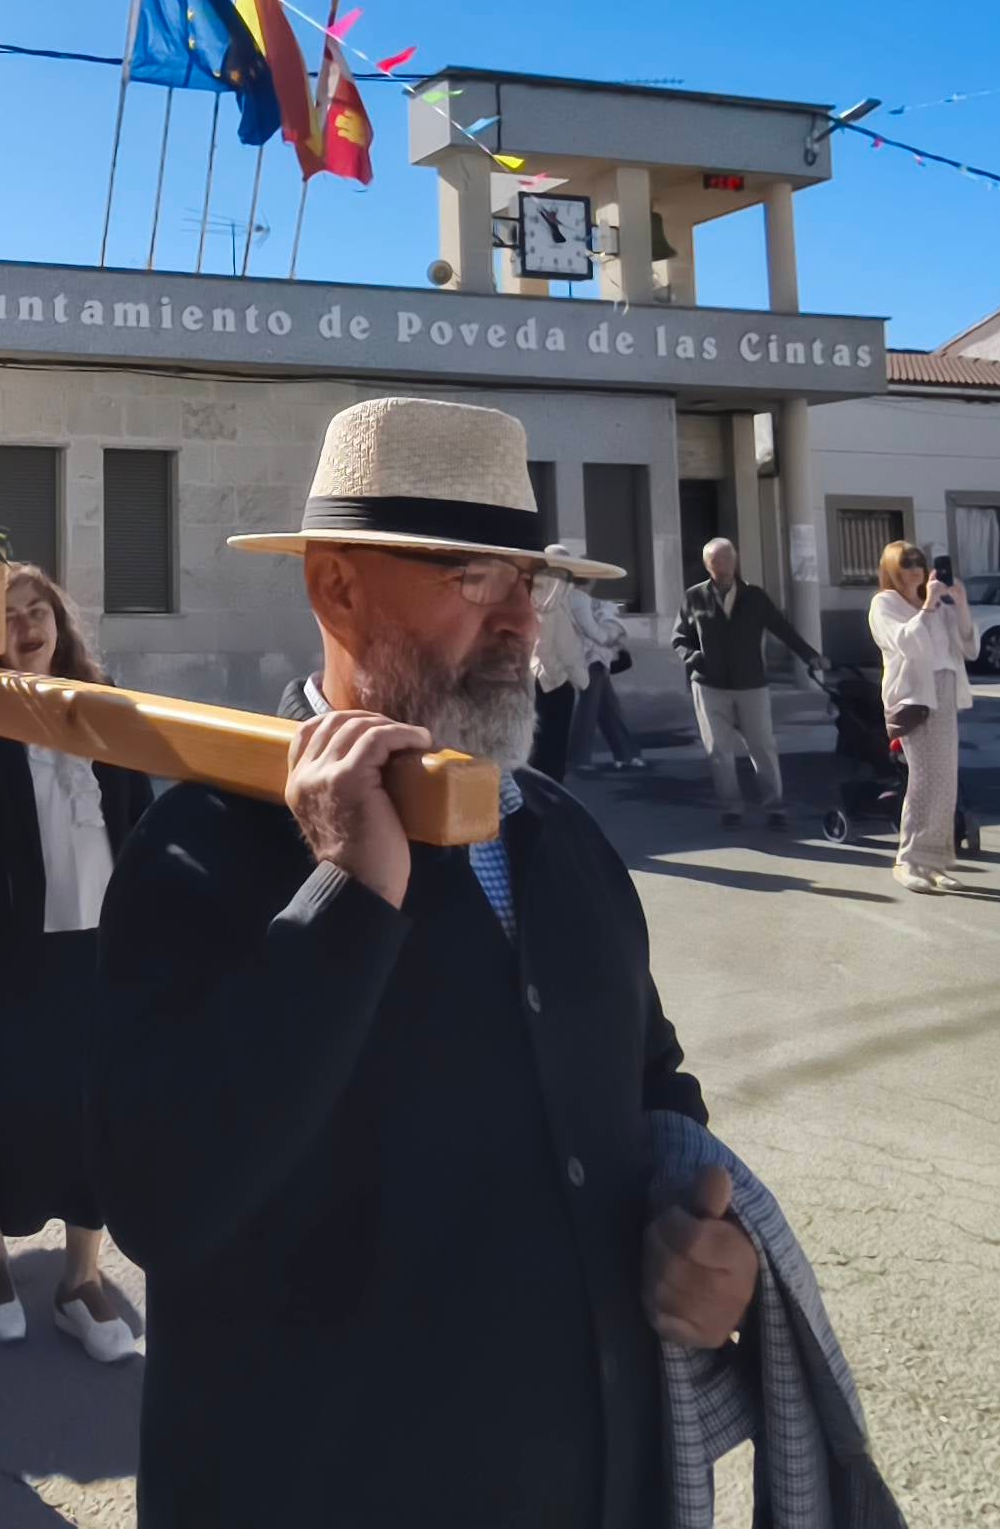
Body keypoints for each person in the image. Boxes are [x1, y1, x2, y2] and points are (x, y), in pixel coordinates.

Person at [98, 396, 769, 1529]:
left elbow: (647, 1087)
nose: (517, 620)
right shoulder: (201, 848)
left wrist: (700, 1241)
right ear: (336, 586)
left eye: (531, 581)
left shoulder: (561, 837)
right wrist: (348, 898)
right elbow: (161, 1202)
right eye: (471, 576)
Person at [0, 565, 152, 1364]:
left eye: (37, 612)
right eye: (7, 618)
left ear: (60, 623)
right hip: (8, 944)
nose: (25, 626)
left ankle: (79, 1282)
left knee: (95, 1110)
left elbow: (142, 817)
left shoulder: (102, 702)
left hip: (100, 944)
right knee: (8, 1103)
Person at [673, 534, 824, 829]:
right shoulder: (694, 596)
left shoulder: (754, 596)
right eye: (716, 560)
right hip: (708, 685)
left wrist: (811, 656)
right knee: (719, 750)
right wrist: (693, 658)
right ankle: (731, 808)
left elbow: (782, 629)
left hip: (751, 684)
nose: (723, 564)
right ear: (707, 565)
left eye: (727, 558)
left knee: (762, 746)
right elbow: (679, 638)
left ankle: (775, 807)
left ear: (736, 561)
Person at [867, 542, 974, 894]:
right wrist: (928, 604)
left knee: (946, 783)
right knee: (924, 780)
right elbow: (907, 643)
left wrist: (959, 605)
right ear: (892, 568)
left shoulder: (936, 602)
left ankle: (935, 862)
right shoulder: (884, 603)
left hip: (944, 692)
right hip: (913, 698)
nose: (915, 569)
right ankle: (908, 861)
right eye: (906, 563)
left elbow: (968, 647)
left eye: (918, 562)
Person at [567, 577, 648, 775]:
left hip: (589, 658)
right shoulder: (579, 598)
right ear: (590, 579)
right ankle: (579, 759)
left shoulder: (570, 597)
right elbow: (591, 629)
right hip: (592, 658)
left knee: (606, 707)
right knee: (590, 710)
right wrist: (611, 638)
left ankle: (626, 754)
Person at [530, 546, 593, 780]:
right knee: (551, 750)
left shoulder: (540, 595)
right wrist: (577, 679)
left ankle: (540, 796)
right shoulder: (551, 601)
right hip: (551, 683)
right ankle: (545, 800)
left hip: (538, 680)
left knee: (541, 746)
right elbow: (553, 649)